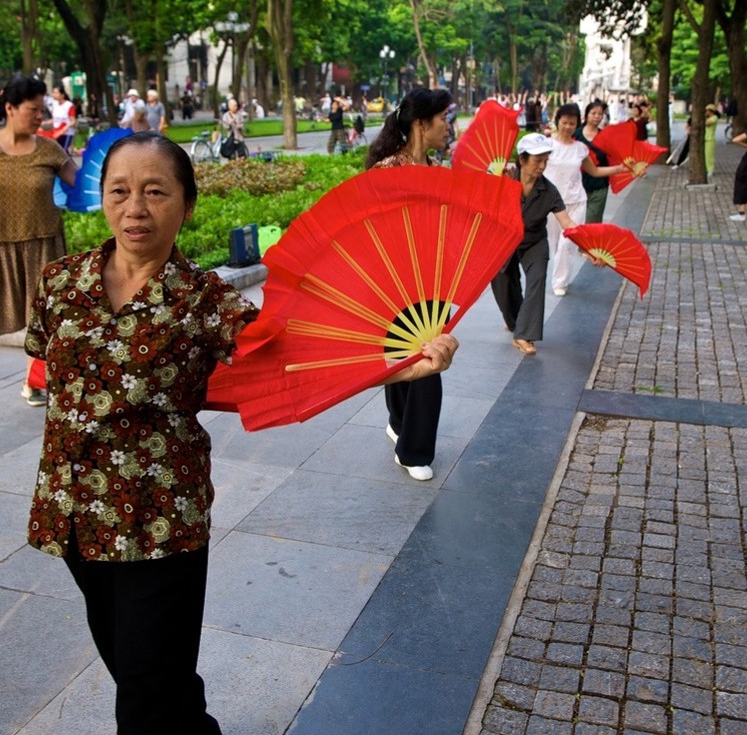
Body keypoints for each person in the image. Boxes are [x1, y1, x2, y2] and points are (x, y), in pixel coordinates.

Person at [23, 131, 457, 734]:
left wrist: (403, 366)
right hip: (73, 511)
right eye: (119, 191)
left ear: (187, 205)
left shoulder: (205, 299)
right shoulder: (60, 281)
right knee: (140, 664)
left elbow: (290, 358)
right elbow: (43, 359)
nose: (135, 208)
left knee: (144, 694)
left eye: (155, 192)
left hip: (159, 518)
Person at [364, 87, 453, 481]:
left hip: (434, 280)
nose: (448, 126)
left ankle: (399, 424)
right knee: (422, 359)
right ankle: (413, 451)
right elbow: (370, 230)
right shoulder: (386, 172)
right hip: (396, 281)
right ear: (421, 123)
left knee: (416, 354)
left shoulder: (438, 171)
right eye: (443, 119)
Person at [491, 133, 604, 356]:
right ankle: (516, 321)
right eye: (537, 161)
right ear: (522, 160)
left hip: (534, 241)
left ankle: (524, 334)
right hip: (505, 240)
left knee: (538, 278)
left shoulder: (549, 190)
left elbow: (567, 223)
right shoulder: (504, 180)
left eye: (545, 160)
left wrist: (588, 249)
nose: (542, 166)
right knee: (502, 281)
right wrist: (497, 182)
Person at [0, 76, 76, 405]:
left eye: (42, 110)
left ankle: (32, 381)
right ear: (10, 108)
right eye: (33, 110)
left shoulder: (49, 149)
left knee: (44, 319)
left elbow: (82, 184)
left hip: (43, 246)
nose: (40, 117)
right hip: (2, 246)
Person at [544, 103, 625, 296]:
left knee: (567, 243)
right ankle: (560, 274)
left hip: (576, 201)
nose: (568, 127)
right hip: (552, 204)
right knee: (554, 244)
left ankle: (560, 282)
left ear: (576, 124)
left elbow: (594, 171)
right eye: (565, 122)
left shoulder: (580, 148)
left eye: (572, 123)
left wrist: (619, 169)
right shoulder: (547, 145)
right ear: (558, 122)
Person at [575, 100, 611, 223]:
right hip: (577, 186)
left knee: (592, 222)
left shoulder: (605, 137)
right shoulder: (576, 135)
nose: (597, 116)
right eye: (593, 113)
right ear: (586, 115)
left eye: (600, 114)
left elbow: (612, 158)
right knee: (576, 222)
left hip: (599, 185)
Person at [49, 83, 77, 153]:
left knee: (64, 152)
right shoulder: (54, 104)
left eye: (56, 93)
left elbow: (73, 121)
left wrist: (63, 130)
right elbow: (54, 119)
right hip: (56, 132)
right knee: (58, 152)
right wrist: (43, 123)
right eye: (53, 93)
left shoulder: (69, 105)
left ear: (62, 95)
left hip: (67, 133)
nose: (54, 95)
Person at [704, 103, 719, 177]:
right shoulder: (707, 118)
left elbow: (707, 124)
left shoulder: (714, 117)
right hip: (705, 137)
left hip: (710, 138)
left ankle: (710, 170)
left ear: (711, 111)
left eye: (707, 111)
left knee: (709, 155)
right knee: (705, 155)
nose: (706, 112)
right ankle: (706, 168)